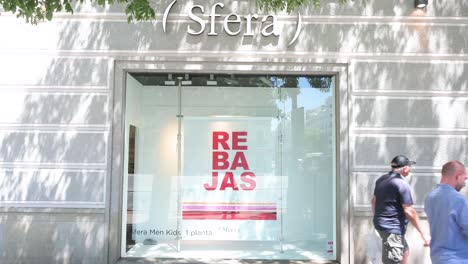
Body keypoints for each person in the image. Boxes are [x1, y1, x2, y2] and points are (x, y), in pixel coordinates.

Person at [372, 155, 430, 264]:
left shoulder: (381, 179)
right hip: (392, 229)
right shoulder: (402, 184)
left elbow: (374, 201)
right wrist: (423, 234)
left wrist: (377, 218)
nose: (410, 169)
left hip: (382, 226)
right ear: (405, 168)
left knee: (405, 251)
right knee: (393, 261)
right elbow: (409, 211)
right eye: (410, 166)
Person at [424, 160, 468, 264]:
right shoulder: (458, 200)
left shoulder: (430, 197)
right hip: (459, 259)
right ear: (457, 176)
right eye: (464, 178)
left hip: (437, 257)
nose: (465, 183)